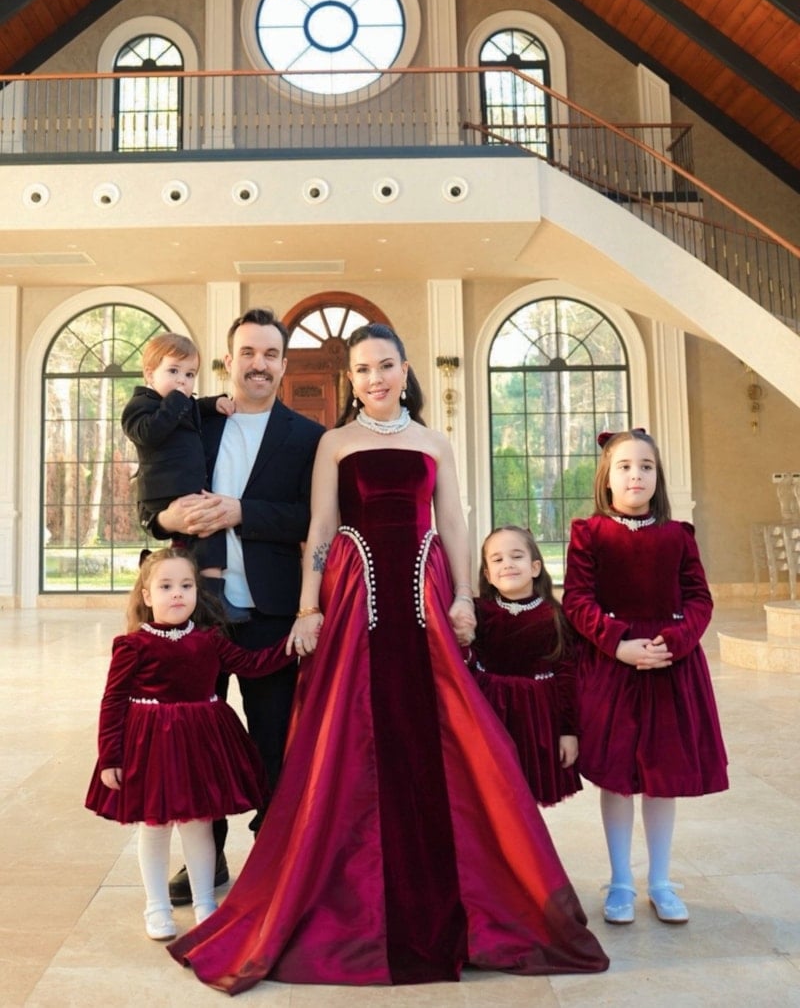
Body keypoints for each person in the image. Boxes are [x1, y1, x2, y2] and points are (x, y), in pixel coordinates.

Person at [167, 322, 609, 993]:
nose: (375, 377)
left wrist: (464, 598)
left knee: (450, 731)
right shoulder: (335, 442)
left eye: (385, 365)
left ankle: (464, 886)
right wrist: (309, 607)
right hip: (353, 597)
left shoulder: (435, 441)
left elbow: (453, 522)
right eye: (364, 369)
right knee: (345, 734)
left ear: (405, 371)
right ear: (353, 380)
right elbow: (320, 527)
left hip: (425, 597)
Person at [151, 309, 325, 904]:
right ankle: (208, 856)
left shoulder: (307, 437)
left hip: (271, 612)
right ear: (229, 360)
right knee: (198, 738)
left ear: (283, 364)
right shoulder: (192, 422)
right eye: (247, 352)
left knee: (274, 738)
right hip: (196, 613)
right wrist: (167, 517)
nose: (259, 364)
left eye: (270, 354)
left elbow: (314, 519)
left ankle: (274, 857)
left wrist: (243, 512)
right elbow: (150, 498)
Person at [561, 428, 728, 926]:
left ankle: (659, 880)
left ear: (658, 476)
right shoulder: (589, 533)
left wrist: (671, 644)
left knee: (661, 780)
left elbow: (699, 600)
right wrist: (618, 643)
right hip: (612, 669)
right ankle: (620, 881)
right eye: (625, 466)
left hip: (670, 670)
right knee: (618, 779)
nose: (636, 475)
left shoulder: (678, 536)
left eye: (646, 466)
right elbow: (577, 600)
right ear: (607, 478)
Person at [84, 548, 288, 941]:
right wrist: (110, 756)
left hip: (199, 745)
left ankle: (204, 902)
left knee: (199, 825)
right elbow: (113, 701)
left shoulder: (209, 640)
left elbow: (252, 665)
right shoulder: (133, 645)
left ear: (197, 591)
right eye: (165, 586)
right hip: (152, 746)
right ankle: (157, 906)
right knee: (155, 826)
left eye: (186, 585)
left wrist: (293, 645)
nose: (177, 593)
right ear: (147, 596)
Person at [121, 332, 245, 620]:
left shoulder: (182, 403)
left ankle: (213, 598)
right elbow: (149, 433)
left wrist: (213, 404)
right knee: (202, 533)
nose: (182, 381)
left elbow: (195, 407)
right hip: (163, 494)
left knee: (208, 534)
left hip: (189, 489)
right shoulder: (139, 406)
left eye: (190, 375)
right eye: (174, 371)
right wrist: (177, 400)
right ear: (149, 373)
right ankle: (201, 602)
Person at [472, 524, 581, 806]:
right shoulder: (478, 613)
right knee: (491, 795)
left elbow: (567, 677)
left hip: (536, 717)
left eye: (516, 556)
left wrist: (568, 731)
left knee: (526, 796)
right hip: (490, 713)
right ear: (488, 575)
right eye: (497, 559)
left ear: (535, 567)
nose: (507, 564)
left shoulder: (554, 616)